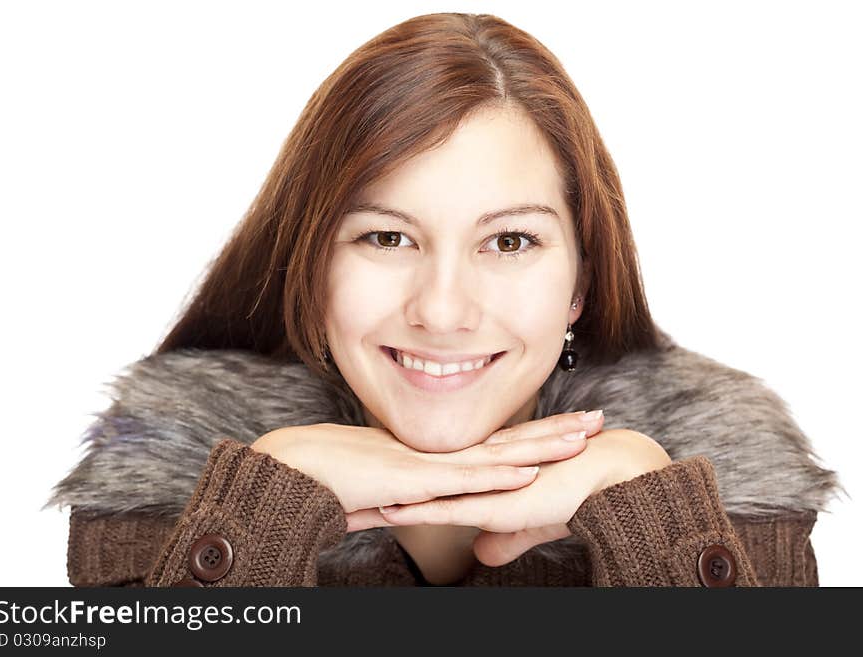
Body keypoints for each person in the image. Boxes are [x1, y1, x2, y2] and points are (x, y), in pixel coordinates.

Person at [45, 12, 843, 587]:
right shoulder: (164, 478)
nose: (443, 309)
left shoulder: (734, 490)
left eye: (510, 242)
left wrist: (648, 511)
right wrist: (267, 500)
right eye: (387, 238)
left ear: (581, 286)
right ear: (312, 268)